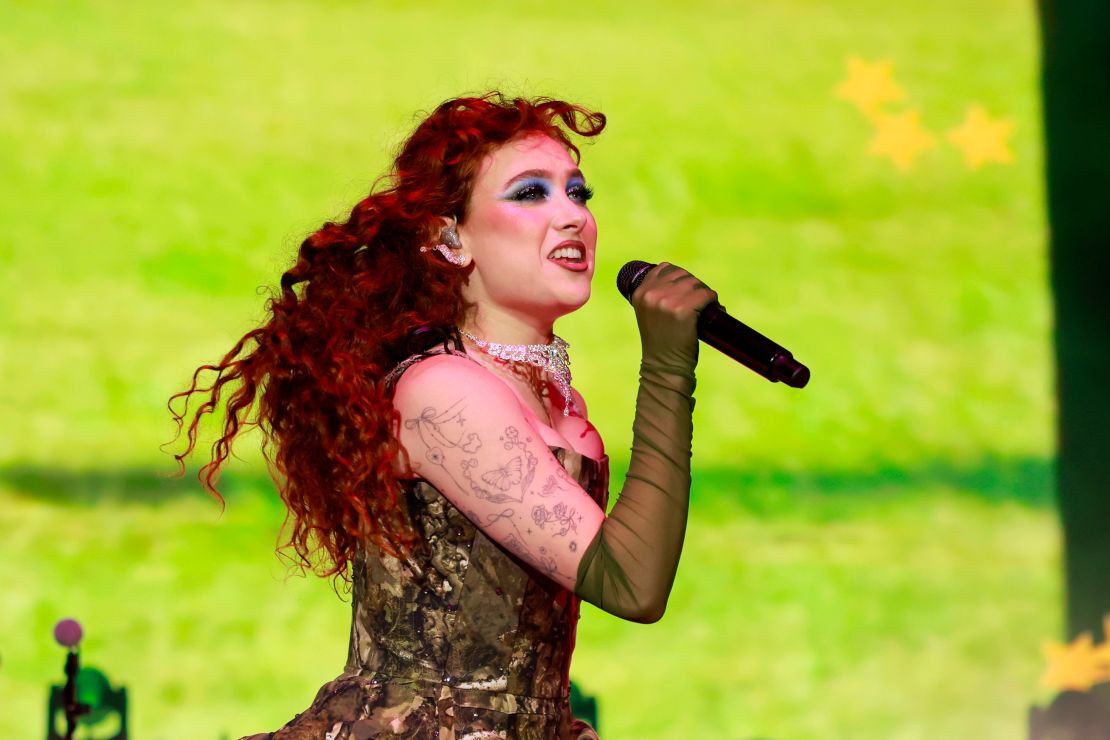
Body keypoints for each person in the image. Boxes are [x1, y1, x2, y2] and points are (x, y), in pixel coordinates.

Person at [169, 92, 716, 739]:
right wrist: (668, 369)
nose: (572, 217)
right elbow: (631, 583)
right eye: (532, 193)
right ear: (450, 236)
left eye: (579, 193)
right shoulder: (445, 392)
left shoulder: (554, 402)